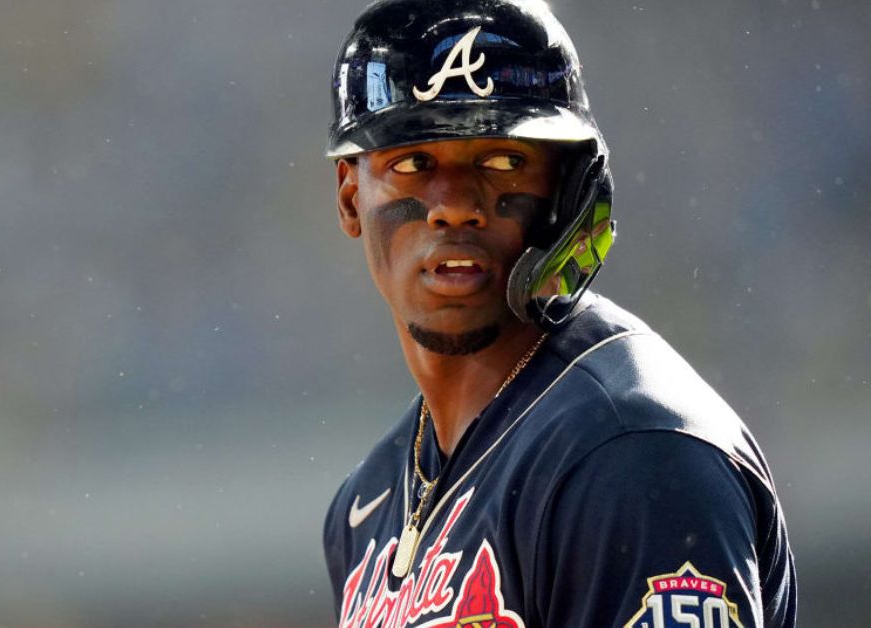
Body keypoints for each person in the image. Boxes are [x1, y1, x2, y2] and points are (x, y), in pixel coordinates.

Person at [319, 1, 798, 626]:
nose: (455, 206)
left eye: (504, 161)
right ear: (351, 199)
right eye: (413, 163)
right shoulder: (366, 502)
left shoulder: (633, 453)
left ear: (569, 190)